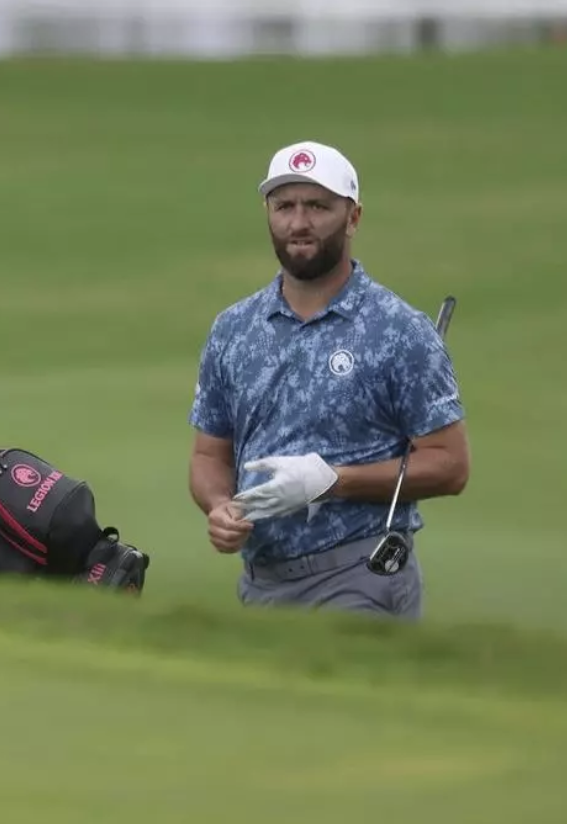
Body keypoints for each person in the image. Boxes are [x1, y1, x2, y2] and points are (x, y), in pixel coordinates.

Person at [187, 140, 470, 620]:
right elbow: (207, 454)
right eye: (285, 206)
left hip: (362, 575)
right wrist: (219, 507)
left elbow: (449, 466)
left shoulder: (398, 329)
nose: (299, 223)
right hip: (262, 582)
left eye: (318, 206)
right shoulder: (234, 329)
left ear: (353, 217)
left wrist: (332, 482)